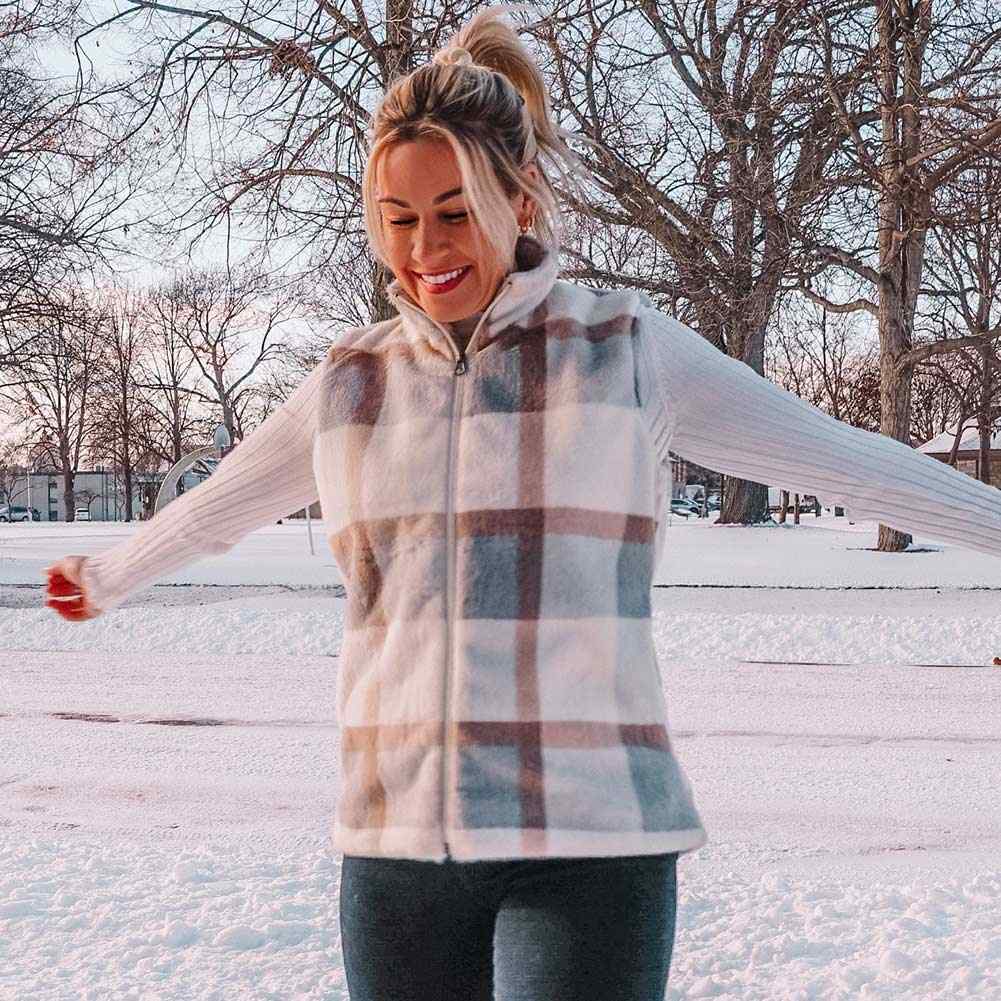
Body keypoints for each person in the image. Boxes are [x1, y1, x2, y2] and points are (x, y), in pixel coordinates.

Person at [44, 6, 1001, 999]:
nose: (424, 250)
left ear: (521, 199)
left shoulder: (625, 351)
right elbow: (217, 505)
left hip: (589, 836)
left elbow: (846, 461)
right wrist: (107, 574)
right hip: (398, 841)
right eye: (397, 219)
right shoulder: (349, 384)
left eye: (454, 211)